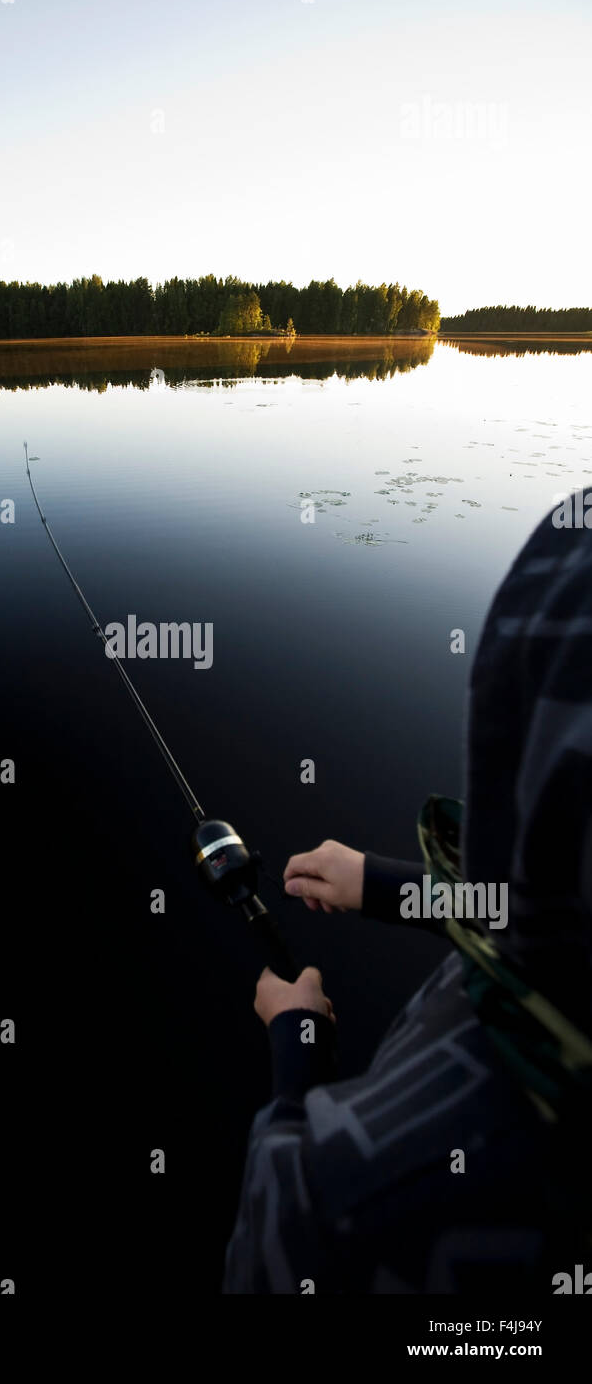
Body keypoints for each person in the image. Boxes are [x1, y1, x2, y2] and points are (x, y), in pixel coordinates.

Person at [223, 493, 592, 1294]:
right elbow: (544, 920)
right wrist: (384, 885)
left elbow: (276, 1222)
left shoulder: (348, 1202)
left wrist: (296, 1039)